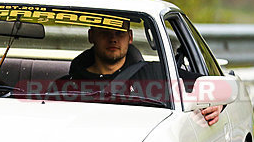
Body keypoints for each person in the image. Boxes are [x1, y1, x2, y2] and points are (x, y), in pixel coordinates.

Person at [60, 24, 221, 125]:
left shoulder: (156, 73)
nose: (113, 39)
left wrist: (218, 103)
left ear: (130, 37)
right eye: (105, 32)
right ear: (91, 36)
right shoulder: (65, 86)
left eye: (119, 33)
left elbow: (216, 86)